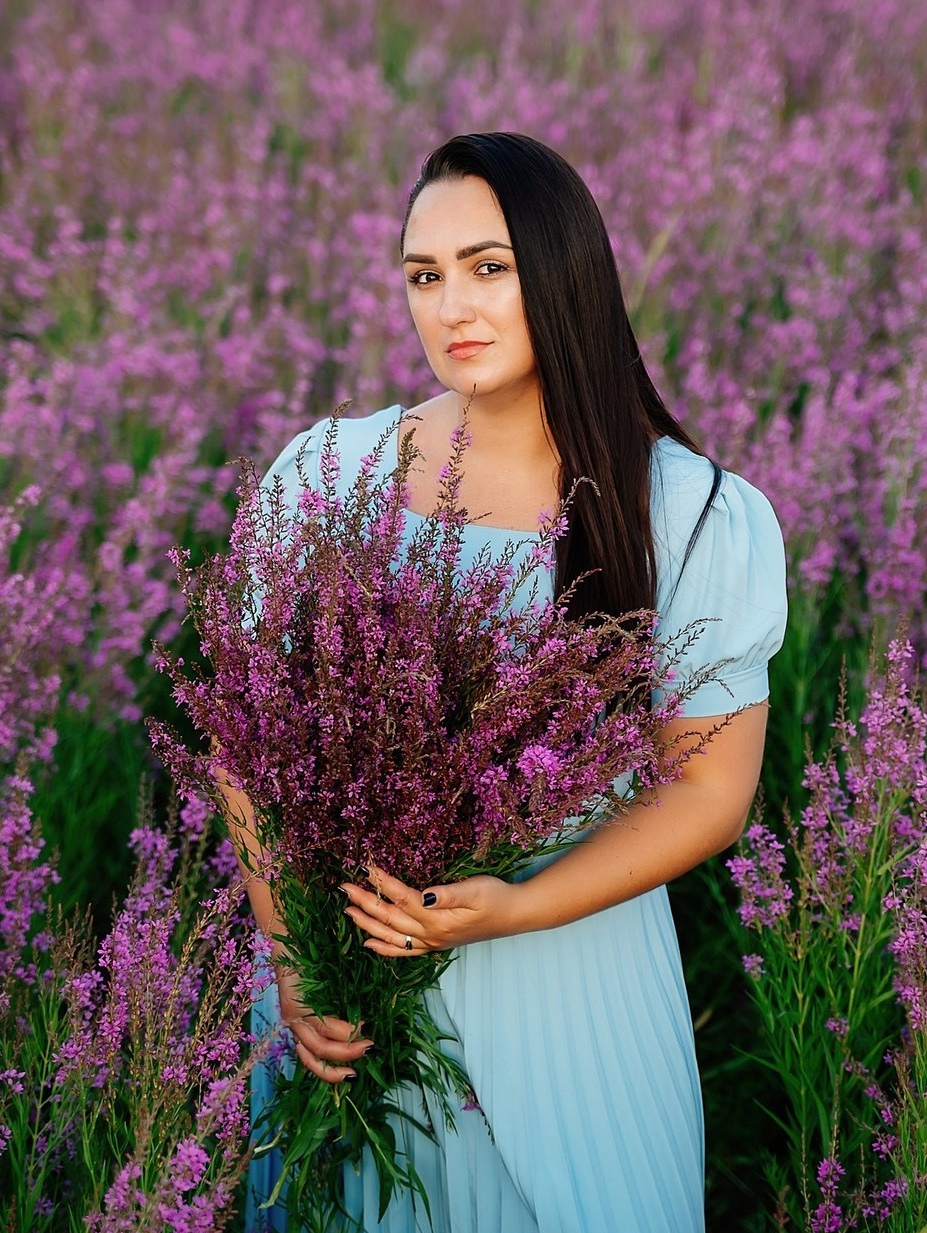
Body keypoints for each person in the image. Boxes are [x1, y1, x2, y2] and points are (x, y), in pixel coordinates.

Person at [230, 132, 787, 1232]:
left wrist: (518, 905)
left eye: (488, 268)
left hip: (569, 984)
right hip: (347, 992)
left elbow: (712, 791)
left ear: (564, 271)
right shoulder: (326, 475)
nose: (451, 308)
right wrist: (293, 959)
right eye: (422, 275)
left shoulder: (688, 511)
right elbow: (243, 745)